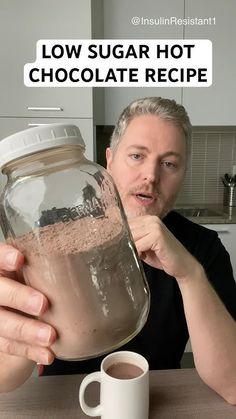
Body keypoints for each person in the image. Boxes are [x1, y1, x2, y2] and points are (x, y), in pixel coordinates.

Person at [0, 97, 236, 404]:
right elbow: (4, 379)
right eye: (137, 155)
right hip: (65, 401)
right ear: (108, 161)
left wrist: (190, 275)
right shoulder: (47, 235)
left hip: (155, 401)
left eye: (169, 163)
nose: (151, 175)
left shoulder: (201, 249)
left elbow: (233, 385)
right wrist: (16, 329)